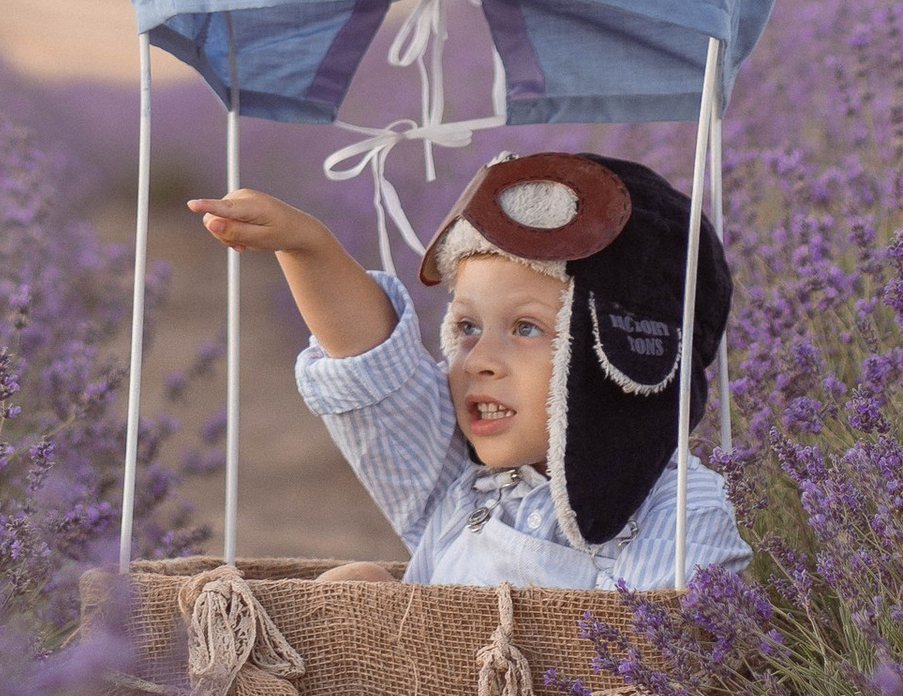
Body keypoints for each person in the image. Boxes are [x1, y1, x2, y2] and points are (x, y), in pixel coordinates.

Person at [186, 148, 746, 591]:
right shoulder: (460, 482)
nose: (479, 361)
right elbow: (376, 371)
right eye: (467, 328)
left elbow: (656, 679)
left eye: (526, 328)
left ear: (621, 352)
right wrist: (306, 245)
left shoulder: (678, 516)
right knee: (355, 588)